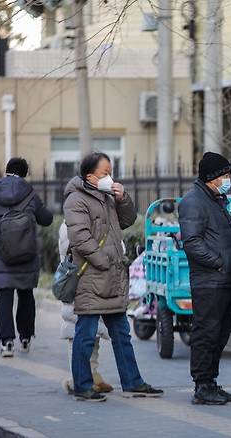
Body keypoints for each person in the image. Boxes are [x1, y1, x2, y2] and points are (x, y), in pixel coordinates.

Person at [63, 152, 163, 402]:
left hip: (112, 278)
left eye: (111, 172)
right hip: (91, 278)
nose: (110, 177)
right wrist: (103, 262)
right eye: (104, 173)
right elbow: (80, 238)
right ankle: (83, 386)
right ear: (90, 176)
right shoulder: (76, 200)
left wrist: (123, 197)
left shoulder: (107, 197)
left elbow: (127, 220)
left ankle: (133, 382)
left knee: (122, 334)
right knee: (85, 335)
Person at [178, 152, 231, 405]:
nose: (228, 179)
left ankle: (211, 382)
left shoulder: (215, 199)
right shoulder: (193, 201)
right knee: (207, 333)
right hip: (211, 280)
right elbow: (192, 242)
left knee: (220, 333)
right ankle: (202, 385)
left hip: (226, 279)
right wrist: (219, 263)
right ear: (212, 177)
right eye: (225, 175)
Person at [0, 157, 53, 357]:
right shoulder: (29, 193)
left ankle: (7, 342)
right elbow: (46, 219)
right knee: (26, 296)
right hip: (27, 254)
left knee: (4, 298)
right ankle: (25, 338)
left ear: (6, 171)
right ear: (24, 173)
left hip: (0, 256)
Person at [58, 221, 113, 395]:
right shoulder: (71, 223)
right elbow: (82, 250)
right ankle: (78, 378)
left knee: (94, 331)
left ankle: (93, 373)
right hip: (77, 284)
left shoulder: (97, 219)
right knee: (77, 332)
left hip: (95, 284)